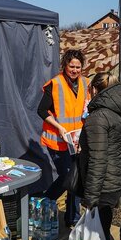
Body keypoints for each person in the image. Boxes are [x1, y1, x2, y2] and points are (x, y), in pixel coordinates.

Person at [78, 72, 121, 240]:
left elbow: (98, 159)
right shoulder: (117, 111)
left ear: (94, 89)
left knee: (99, 236)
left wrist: (90, 197)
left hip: (103, 185)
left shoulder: (98, 116)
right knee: (103, 229)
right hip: (115, 179)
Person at [38, 49, 90, 227]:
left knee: (76, 177)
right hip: (57, 140)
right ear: (65, 66)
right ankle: (45, 201)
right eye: (71, 66)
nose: (75, 70)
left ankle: (72, 218)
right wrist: (59, 127)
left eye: (78, 67)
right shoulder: (55, 84)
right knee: (67, 175)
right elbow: (41, 110)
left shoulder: (86, 83)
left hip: (76, 142)